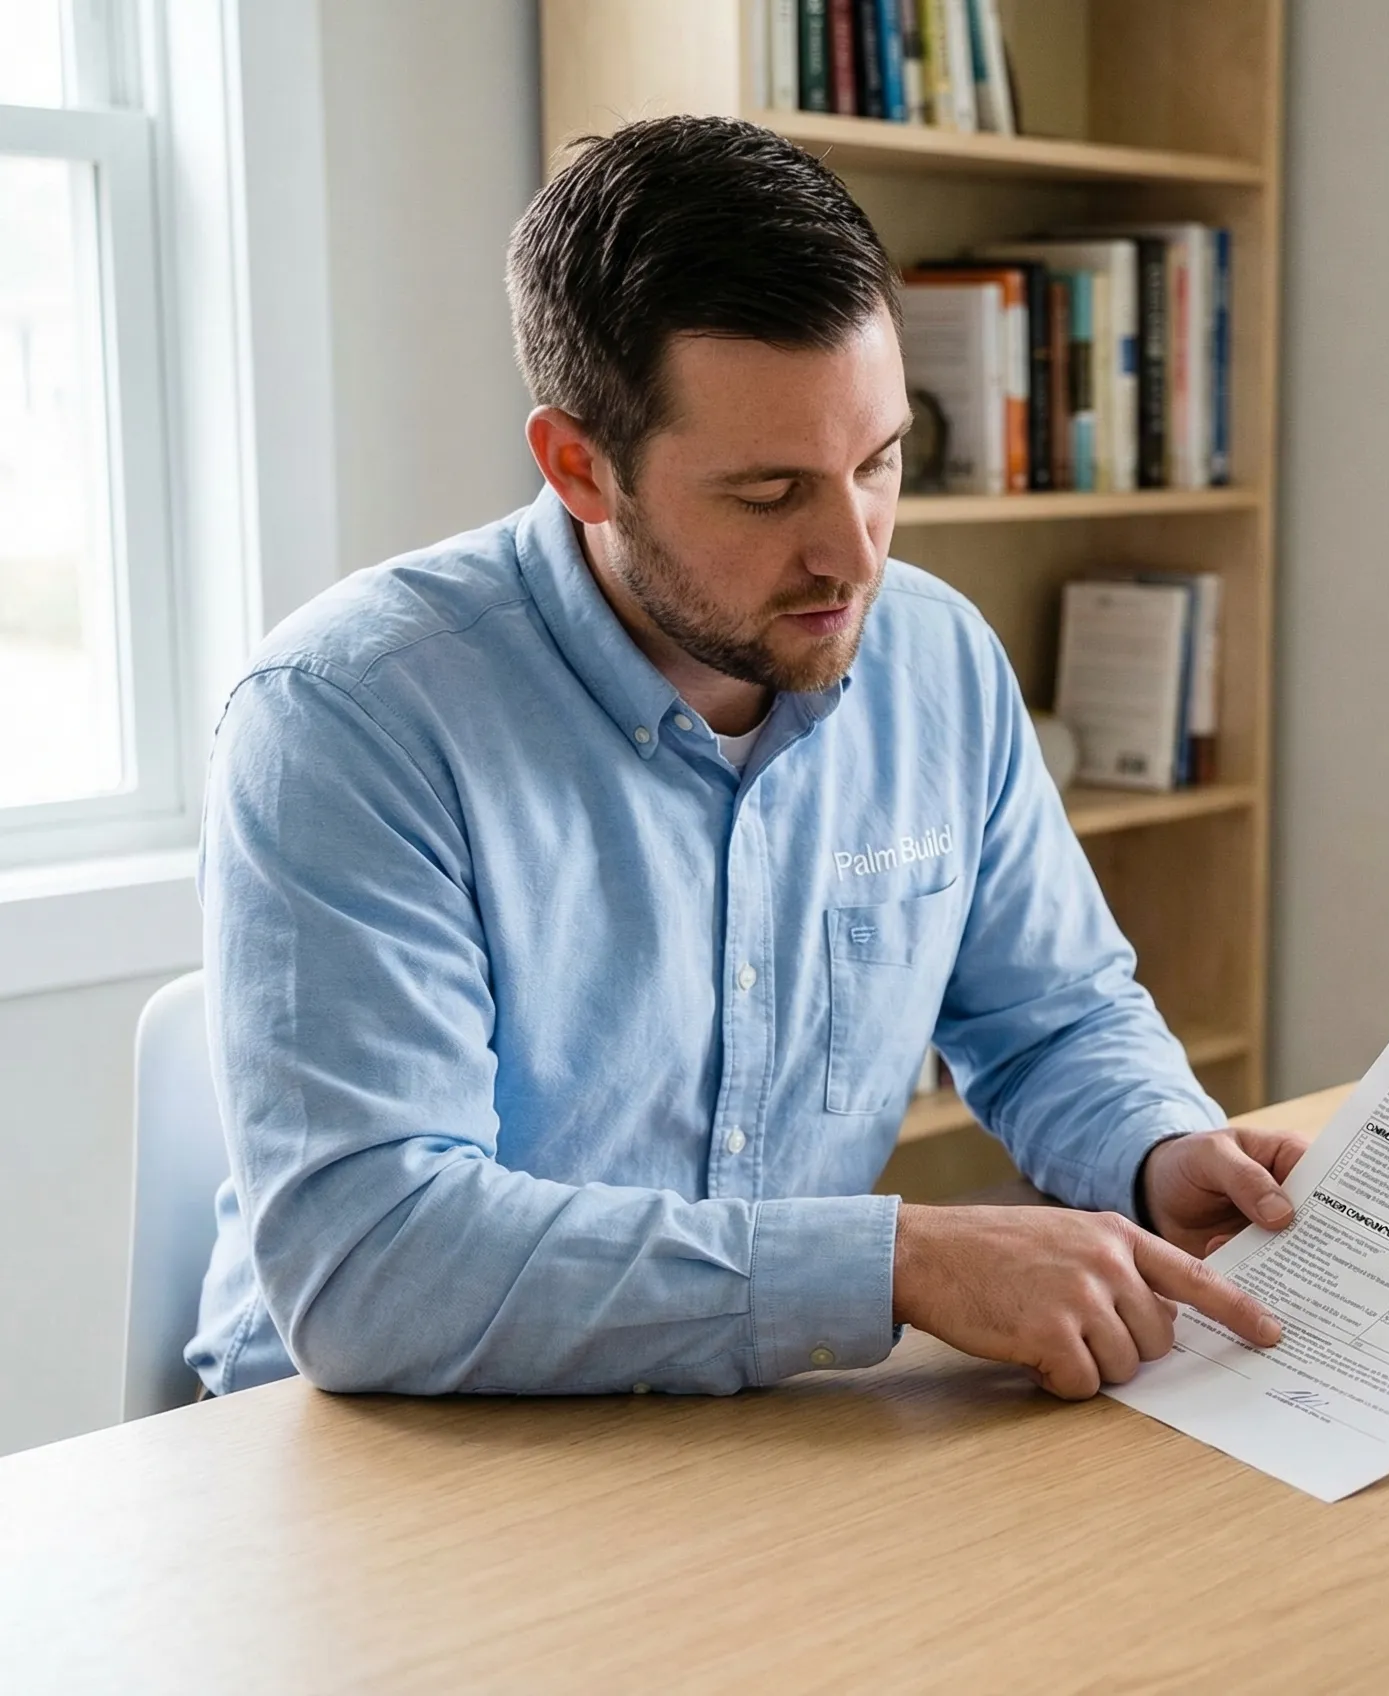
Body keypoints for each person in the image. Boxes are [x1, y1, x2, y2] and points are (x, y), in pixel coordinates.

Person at [187, 116, 1297, 1403]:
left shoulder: (933, 658)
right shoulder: (346, 717)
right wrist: (893, 1263)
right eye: (769, 495)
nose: (854, 552)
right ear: (579, 466)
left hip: (743, 1430)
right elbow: (375, 1266)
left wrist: (1157, 1148)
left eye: (878, 463)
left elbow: (1052, 1018)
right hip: (369, 1455)